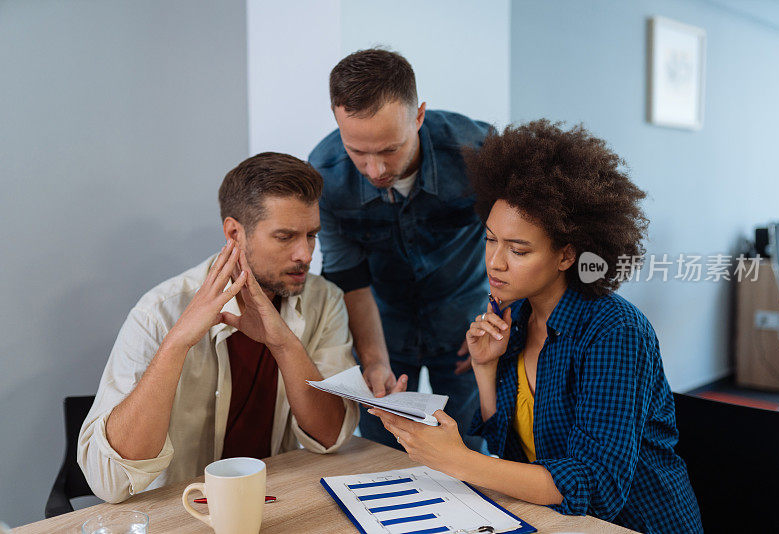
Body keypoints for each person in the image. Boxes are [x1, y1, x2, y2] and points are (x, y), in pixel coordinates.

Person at [369, 121, 703, 533]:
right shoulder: (517, 317)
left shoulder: (614, 330)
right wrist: (485, 368)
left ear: (566, 256)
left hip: (635, 526)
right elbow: (511, 453)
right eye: (491, 240)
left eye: (518, 249)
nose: (495, 261)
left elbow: (595, 487)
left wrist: (456, 459)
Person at [78, 153, 359, 503]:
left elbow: (331, 437)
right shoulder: (159, 312)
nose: (305, 254)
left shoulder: (324, 301)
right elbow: (108, 482)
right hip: (179, 512)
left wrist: (285, 345)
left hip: (272, 503)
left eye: (312, 235)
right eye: (285, 237)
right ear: (234, 233)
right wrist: (177, 344)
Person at [309, 48, 490, 451]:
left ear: (419, 116)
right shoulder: (325, 174)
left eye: (390, 149)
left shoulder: (479, 151)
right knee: (381, 456)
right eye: (358, 151)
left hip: (466, 324)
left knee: (470, 456)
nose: (375, 170)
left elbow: (518, 241)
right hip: (381, 328)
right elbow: (348, 276)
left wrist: (500, 313)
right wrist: (373, 360)